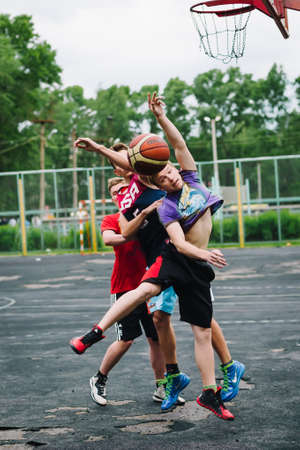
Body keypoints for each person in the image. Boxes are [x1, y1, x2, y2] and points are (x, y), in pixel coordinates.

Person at [70, 93, 243, 419]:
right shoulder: (165, 206)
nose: (171, 175)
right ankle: (97, 333)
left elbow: (177, 146)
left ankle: (213, 387)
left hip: (196, 265)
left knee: (201, 329)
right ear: (155, 181)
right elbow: (174, 241)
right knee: (147, 296)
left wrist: (162, 118)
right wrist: (99, 150)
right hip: (177, 257)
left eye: (171, 170)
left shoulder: (189, 175)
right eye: (162, 175)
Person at [84, 176, 176, 406]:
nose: (119, 194)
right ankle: (99, 379)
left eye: (123, 189)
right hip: (125, 287)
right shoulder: (114, 219)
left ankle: (161, 387)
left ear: (132, 190)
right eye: (115, 192)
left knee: (156, 339)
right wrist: (134, 227)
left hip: (150, 285)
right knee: (126, 340)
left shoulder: (146, 212)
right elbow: (109, 239)